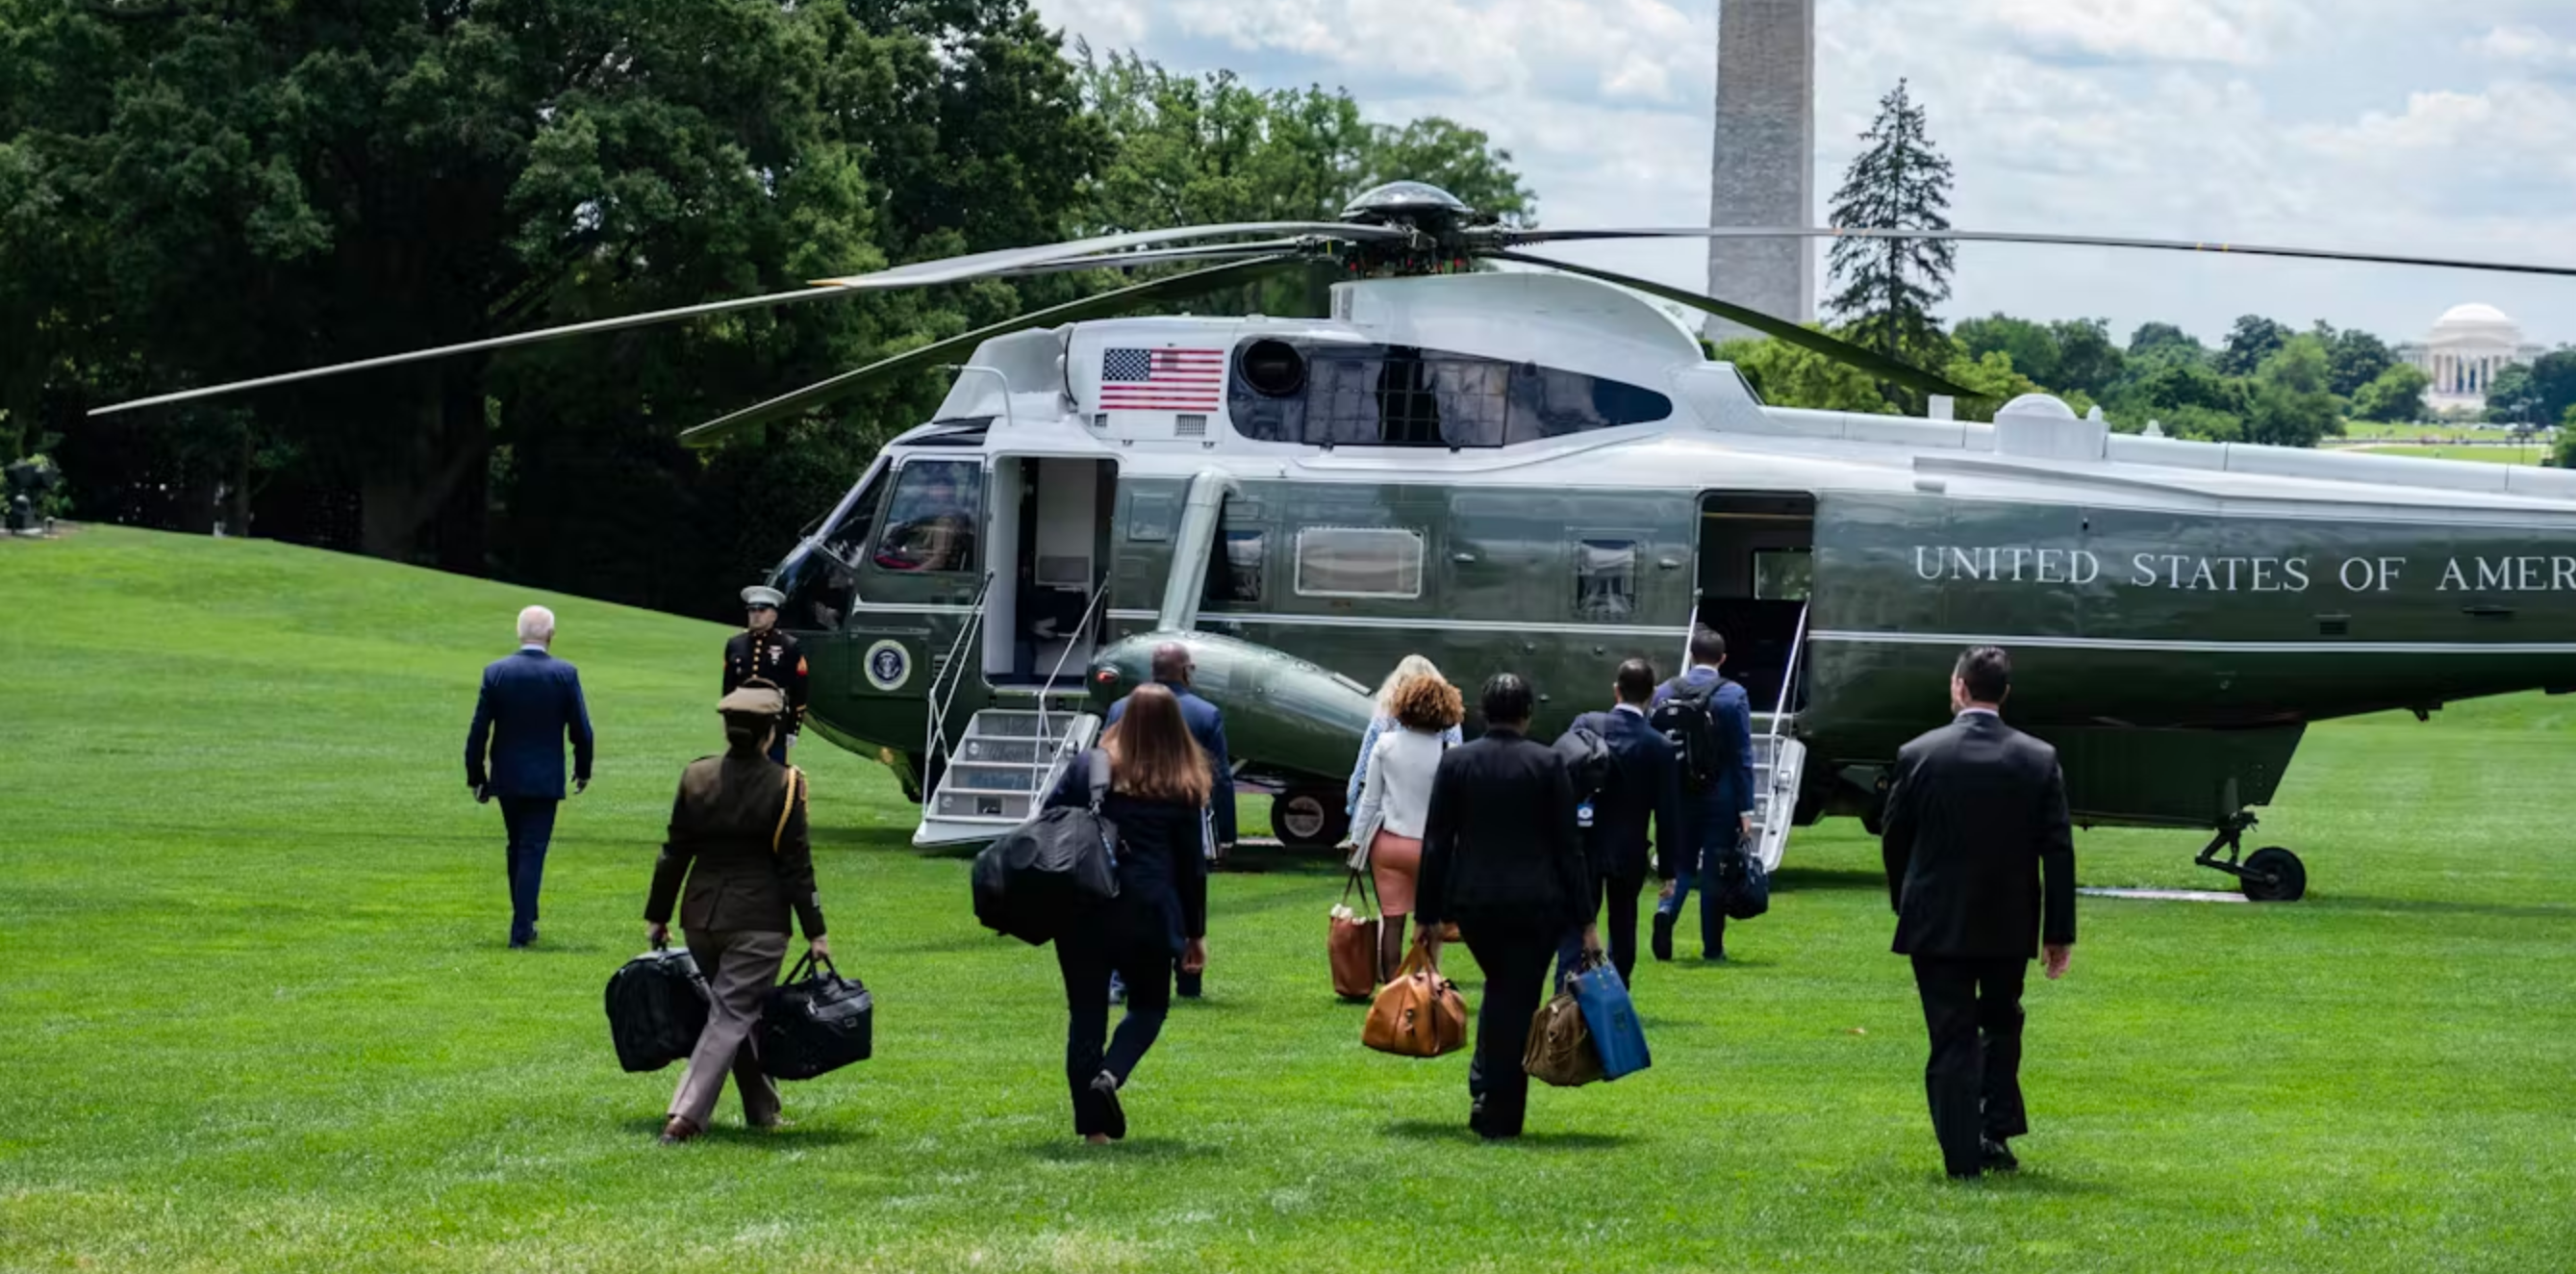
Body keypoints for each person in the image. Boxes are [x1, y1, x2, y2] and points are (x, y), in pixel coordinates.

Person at [1879, 646, 2077, 1179]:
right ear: (2003, 693)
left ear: (1960, 687)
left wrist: (1907, 901)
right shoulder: (2039, 758)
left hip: (1934, 919)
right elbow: (2057, 849)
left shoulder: (1918, 753)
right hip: (2008, 922)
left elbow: (1895, 838)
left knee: (1951, 1035)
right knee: (2001, 1021)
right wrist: (2057, 932)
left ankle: (1962, 1153)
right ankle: (1995, 1129)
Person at [1414, 673, 1598, 1140]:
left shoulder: (1456, 763)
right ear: (1527, 714)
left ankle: (1488, 1091)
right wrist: (1586, 919)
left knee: (1503, 993)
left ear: (1482, 711)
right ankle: (1499, 1108)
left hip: (1475, 903)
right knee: (1513, 998)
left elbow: (1436, 843)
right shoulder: (1549, 763)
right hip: (1537, 904)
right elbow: (1568, 848)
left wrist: (1427, 915)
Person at [644, 686, 830, 1144]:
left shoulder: (696, 776)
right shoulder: (787, 784)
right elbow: (796, 864)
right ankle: (684, 1116)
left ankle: (762, 1110)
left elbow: (674, 853)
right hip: (759, 921)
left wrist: (657, 914)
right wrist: (816, 930)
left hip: (700, 917)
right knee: (730, 1014)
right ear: (770, 734)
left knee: (735, 1011)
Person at [1040, 682, 1212, 1145]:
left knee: (1086, 1014)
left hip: (1083, 908)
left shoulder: (1087, 768)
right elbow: (1192, 869)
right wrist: (1195, 933)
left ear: (1123, 719)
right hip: (1149, 912)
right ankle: (1111, 1076)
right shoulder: (1183, 787)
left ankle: (1093, 1130)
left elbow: (1047, 822)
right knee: (1150, 1008)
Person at [1104, 642, 1235, 999]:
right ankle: (1188, 976)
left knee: (1126, 895)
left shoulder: (1119, 708)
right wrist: (1226, 832)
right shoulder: (1205, 714)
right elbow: (1221, 777)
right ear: (1185, 671)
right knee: (1186, 887)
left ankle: (1119, 979)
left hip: (1127, 818)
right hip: (1181, 811)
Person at [464, 605, 594, 949]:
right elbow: (581, 729)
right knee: (532, 850)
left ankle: (526, 916)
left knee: (516, 847)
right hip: (545, 778)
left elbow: (479, 730)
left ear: (519, 633)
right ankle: (522, 928)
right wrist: (583, 769)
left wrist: (476, 775)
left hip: (507, 776)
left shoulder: (496, 673)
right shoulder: (565, 673)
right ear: (550, 635)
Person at [1553, 658, 1684, 989]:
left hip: (1584, 843)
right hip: (1628, 850)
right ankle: (1615, 993)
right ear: (1652, 695)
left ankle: (1563, 992)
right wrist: (1668, 870)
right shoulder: (1660, 747)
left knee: (1577, 923)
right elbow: (1667, 812)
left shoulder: (1587, 724)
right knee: (1623, 924)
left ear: (1616, 690)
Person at [1350, 671, 1466, 981]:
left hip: (1389, 844)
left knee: (1393, 923)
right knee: (1429, 924)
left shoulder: (1385, 744)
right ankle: (1425, 988)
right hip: (1432, 849)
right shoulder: (1450, 753)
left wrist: (1357, 840)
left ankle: (1391, 991)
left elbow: (1370, 799)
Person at [1650, 626, 1756, 962]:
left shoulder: (1665, 690)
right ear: (1722, 659)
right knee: (1715, 870)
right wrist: (1746, 809)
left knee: (1680, 864)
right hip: (1719, 796)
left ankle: (1667, 910)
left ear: (1691, 655)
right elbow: (1742, 755)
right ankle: (1713, 948)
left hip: (1678, 794)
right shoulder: (1733, 694)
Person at [1345, 654, 1464, 818]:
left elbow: (1362, 769)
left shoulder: (1383, 717)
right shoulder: (1449, 723)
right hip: (1427, 809)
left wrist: (1352, 806)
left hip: (1383, 813)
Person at [723, 585, 809, 765]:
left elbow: (799, 690)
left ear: (774, 615)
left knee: (774, 774)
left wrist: (793, 729)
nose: (756, 615)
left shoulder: (789, 646)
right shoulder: (735, 644)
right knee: (740, 771)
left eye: (762, 610)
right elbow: (728, 688)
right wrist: (728, 720)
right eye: (752, 610)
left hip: (774, 720)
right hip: (742, 720)